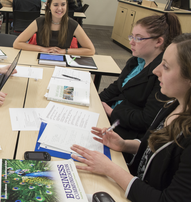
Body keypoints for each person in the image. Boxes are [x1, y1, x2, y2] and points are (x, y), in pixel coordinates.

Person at [71, 33, 191, 202]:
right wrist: (125, 145)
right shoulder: (173, 105)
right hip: (134, 182)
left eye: (166, 66)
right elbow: (155, 148)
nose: (156, 71)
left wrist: (111, 170)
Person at [99, 13, 182, 141]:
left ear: (159, 41)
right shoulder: (137, 60)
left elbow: (147, 119)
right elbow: (118, 86)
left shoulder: (162, 75)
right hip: (112, 116)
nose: (131, 42)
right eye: (131, 36)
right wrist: (97, 102)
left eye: (138, 38)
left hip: (126, 130)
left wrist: (112, 113)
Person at [13, 0, 95, 56]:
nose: (60, 8)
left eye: (63, 4)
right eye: (55, 5)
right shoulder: (39, 22)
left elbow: (91, 50)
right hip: (41, 61)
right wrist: (43, 49)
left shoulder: (73, 24)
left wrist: (64, 51)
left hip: (62, 64)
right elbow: (17, 43)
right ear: (49, 6)